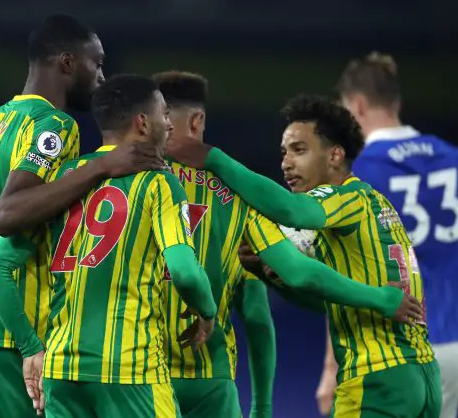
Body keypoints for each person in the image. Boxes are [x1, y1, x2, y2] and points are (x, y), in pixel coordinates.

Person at [0, 15, 164, 418]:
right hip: (9, 329)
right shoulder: (54, 125)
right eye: (97, 63)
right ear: (67, 62)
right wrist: (100, 166)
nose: (101, 77)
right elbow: (8, 214)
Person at [169, 94, 441, 417]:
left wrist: (216, 160)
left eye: (299, 150)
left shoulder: (346, 197)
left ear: (334, 155)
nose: (286, 163)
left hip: (377, 374)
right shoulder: (373, 204)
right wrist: (269, 275)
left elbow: (291, 211)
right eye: (284, 152)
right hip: (422, 374)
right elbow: (330, 299)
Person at [41, 74, 217, 417]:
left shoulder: (65, 179)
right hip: (129, 367)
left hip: (61, 369)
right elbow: (184, 271)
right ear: (142, 122)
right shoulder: (158, 182)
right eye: (164, 114)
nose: (169, 124)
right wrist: (206, 311)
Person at [312, 51, 458, 418]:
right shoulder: (454, 159)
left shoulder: (357, 174)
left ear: (358, 107)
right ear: (396, 102)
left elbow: (341, 273)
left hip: (398, 352)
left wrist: (331, 368)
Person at [153, 71, 276, 418]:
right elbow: (256, 315)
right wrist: (262, 407)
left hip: (140, 377)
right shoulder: (239, 196)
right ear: (197, 121)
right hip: (212, 380)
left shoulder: (129, 185)